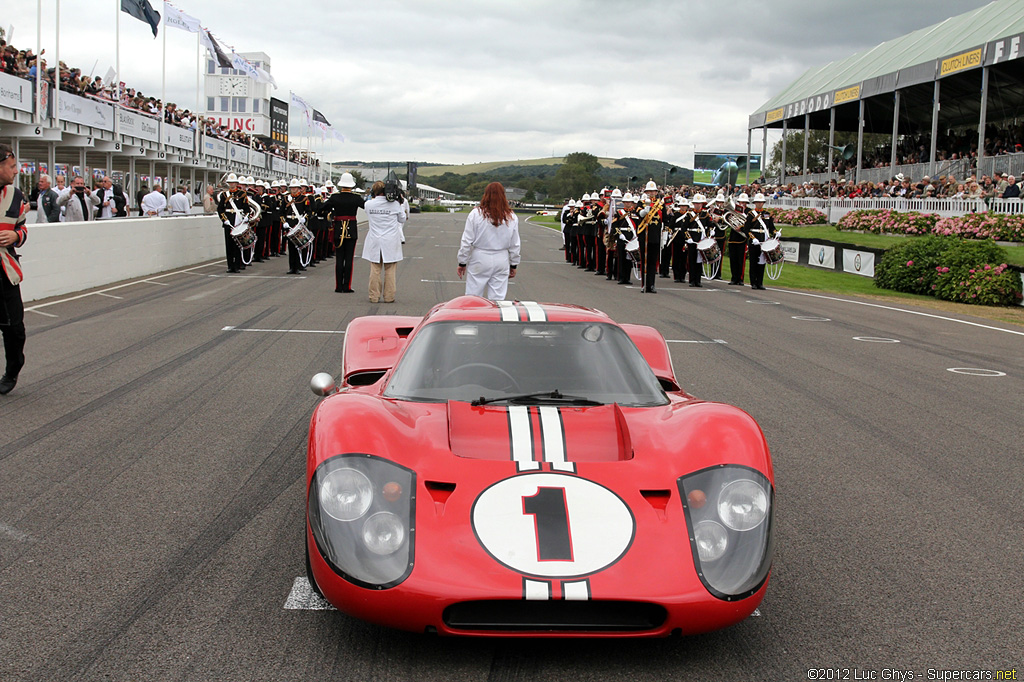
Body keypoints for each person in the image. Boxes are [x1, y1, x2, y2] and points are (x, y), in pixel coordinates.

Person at [456, 181, 521, 300]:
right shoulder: (511, 216)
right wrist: (514, 264)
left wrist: (462, 262)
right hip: (501, 258)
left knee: (473, 298)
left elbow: (466, 241)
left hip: (480, 257)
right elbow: (515, 244)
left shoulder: (476, 214)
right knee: (498, 300)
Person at [0, 142, 28, 395]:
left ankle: (12, 370)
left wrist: (15, 237)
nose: (16, 170)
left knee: (15, 329)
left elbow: (22, 227)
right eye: (11, 166)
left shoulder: (16, 195)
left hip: (5, 273)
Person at [361, 180, 406, 303]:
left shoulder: (369, 204)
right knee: (390, 269)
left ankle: (374, 296)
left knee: (375, 269)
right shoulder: (394, 204)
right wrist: (399, 203)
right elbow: (402, 219)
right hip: (390, 239)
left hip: (375, 239)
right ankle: (389, 296)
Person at [323, 172, 364, 293]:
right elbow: (367, 207)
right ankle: (347, 286)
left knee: (339, 259)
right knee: (349, 259)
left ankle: (338, 286)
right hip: (351, 229)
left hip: (338, 229)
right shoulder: (356, 197)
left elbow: (323, 209)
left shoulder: (335, 197)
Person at [745, 193, 777, 290]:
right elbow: (746, 229)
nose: (760, 204)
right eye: (758, 202)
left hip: (764, 241)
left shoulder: (767, 214)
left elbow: (771, 227)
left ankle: (760, 282)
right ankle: (753, 282)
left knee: (762, 262)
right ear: (755, 203)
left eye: (761, 202)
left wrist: (776, 233)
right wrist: (752, 238)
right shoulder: (750, 214)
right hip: (754, 240)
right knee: (753, 262)